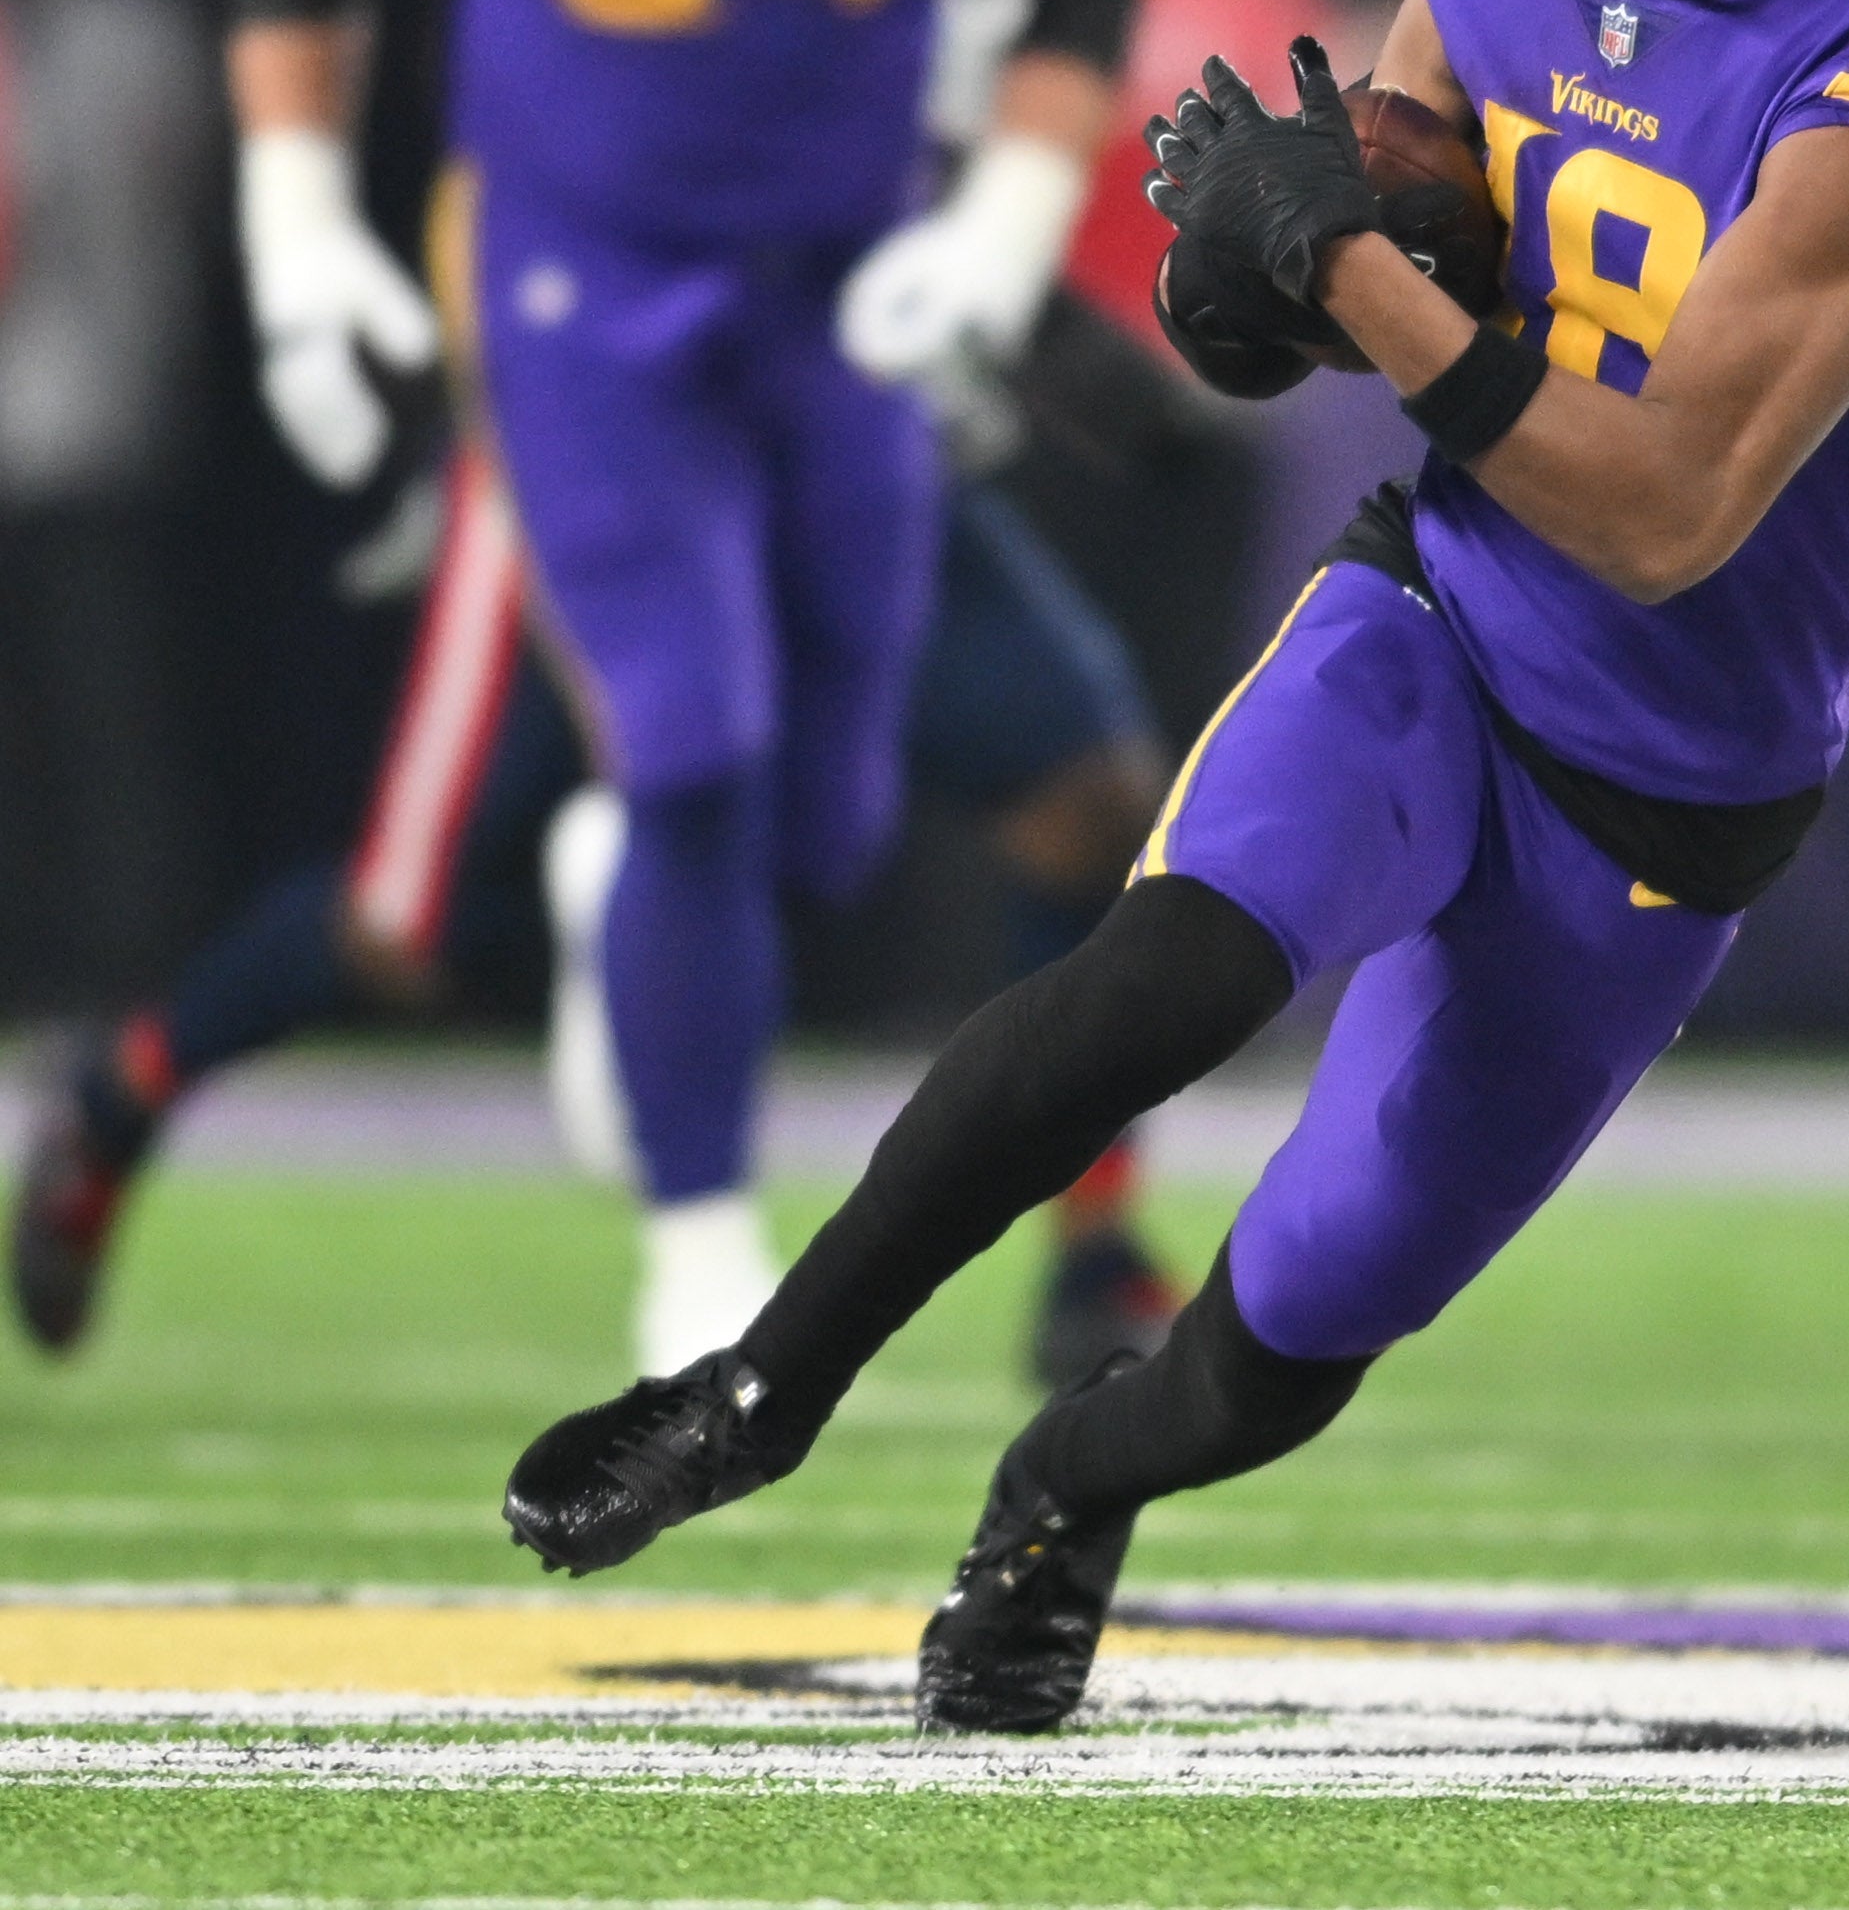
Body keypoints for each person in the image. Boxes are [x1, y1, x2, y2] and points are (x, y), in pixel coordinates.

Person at [496, 0, 1849, 1736]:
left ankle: (1069, 1481)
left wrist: (1336, 261)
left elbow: (1666, 508)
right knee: (1157, 974)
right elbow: (1365, 230)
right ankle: (757, 1387)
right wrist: (1256, 270)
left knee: (1305, 1315)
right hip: (1440, 612)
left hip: (1674, 769)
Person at [209, 0, 1151, 1373]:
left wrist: (1005, 226)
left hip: (836, 276)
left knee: (827, 814)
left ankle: (626, 912)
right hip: (580, 271)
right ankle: (697, 1240)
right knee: (699, 750)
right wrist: (293, 219)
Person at [8, 430, 1180, 1390]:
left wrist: (1002, 259)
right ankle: (125, 1089)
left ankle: (1094, 1248)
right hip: (595, 443)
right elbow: (487, 211)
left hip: (832, 438)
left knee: (1089, 800)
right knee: (407, 925)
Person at [0, 0, 214, 1014]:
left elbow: (176, 199)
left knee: (112, 721)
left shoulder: (126, 24)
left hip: (87, 423)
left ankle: (129, 971)